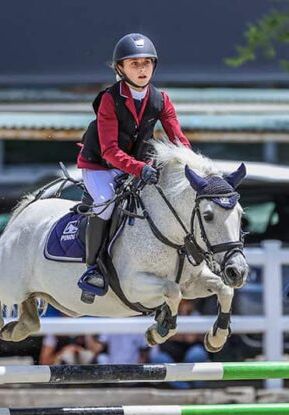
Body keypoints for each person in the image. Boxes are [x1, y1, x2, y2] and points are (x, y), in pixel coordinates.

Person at [76, 32, 191, 301]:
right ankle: (94, 267)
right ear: (121, 68)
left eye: (146, 63)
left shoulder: (161, 99)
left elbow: (178, 140)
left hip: (138, 165)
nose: (142, 69)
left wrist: (193, 168)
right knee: (105, 203)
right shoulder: (109, 99)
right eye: (134, 64)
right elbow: (110, 151)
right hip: (100, 165)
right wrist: (140, 169)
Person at [149, 299, 209, 389]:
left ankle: (197, 389)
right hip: (170, 351)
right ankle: (184, 388)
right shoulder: (166, 315)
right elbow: (161, 335)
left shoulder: (195, 315)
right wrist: (182, 336)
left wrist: (178, 335)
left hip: (189, 349)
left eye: (188, 303)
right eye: (183, 302)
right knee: (158, 359)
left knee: (197, 354)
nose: (186, 305)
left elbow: (193, 338)